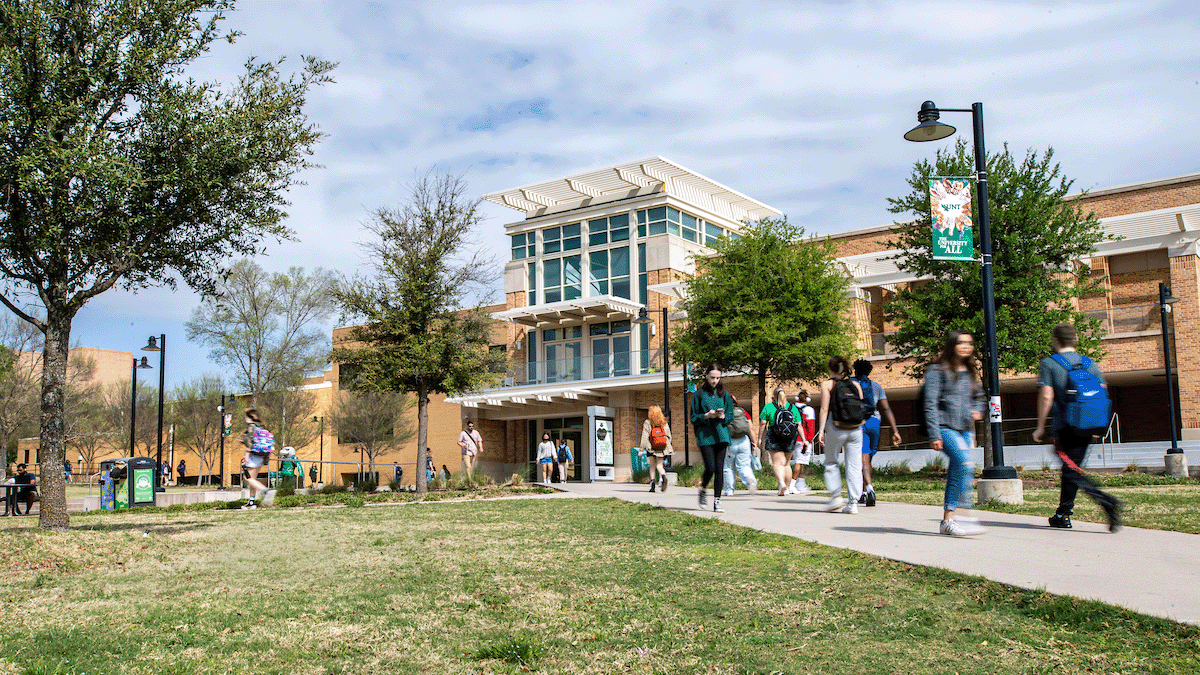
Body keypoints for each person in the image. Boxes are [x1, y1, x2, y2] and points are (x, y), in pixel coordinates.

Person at [1033, 323, 1122, 532]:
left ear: (1055, 341)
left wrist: (1039, 426)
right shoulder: (1089, 363)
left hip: (1065, 426)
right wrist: (1097, 426)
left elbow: (1046, 395)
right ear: (1075, 340)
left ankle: (1107, 502)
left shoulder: (1049, 364)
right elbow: (1103, 391)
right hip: (1087, 426)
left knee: (1072, 471)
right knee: (1071, 470)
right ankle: (1063, 514)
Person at [924, 331, 987, 536]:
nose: (965, 346)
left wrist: (977, 409)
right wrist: (934, 434)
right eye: (960, 343)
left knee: (960, 471)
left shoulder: (969, 372)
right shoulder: (937, 370)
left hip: (964, 429)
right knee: (963, 463)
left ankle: (948, 521)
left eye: (969, 343)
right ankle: (963, 516)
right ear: (952, 345)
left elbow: (980, 397)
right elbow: (930, 403)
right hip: (945, 427)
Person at [817, 356, 867, 514]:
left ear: (831, 369)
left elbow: (825, 409)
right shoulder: (855, 385)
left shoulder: (827, 384)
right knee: (854, 465)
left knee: (831, 462)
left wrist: (821, 430)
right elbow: (861, 407)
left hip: (836, 426)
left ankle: (836, 497)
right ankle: (853, 503)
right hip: (856, 428)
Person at [853, 359, 902, 507]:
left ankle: (869, 489)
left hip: (859, 423)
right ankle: (861, 492)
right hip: (875, 423)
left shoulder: (852, 385)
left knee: (863, 459)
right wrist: (895, 431)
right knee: (868, 460)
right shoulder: (876, 386)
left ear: (855, 370)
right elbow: (886, 409)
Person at [690, 363, 735, 513]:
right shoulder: (699, 394)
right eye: (712, 377)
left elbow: (730, 415)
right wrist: (706, 416)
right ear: (706, 376)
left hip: (721, 436)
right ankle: (703, 489)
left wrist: (723, 416)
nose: (715, 381)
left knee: (720, 469)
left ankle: (717, 500)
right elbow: (693, 417)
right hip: (705, 437)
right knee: (710, 467)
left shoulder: (724, 394)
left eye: (717, 378)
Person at [759, 387, 798, 497]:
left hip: (774, 436)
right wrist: (804, 440)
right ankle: (787, 487)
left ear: (774, 396)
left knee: (777, 463)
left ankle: (781, 483)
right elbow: (798, 425)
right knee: (786, 463)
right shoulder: (792, 408)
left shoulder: (769, 407)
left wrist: (759, 438)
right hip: (790, 437)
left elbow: (763, 424)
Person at [238, 408, 275, 509]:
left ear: (250, 417)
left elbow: (250, 442)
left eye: (246, 416)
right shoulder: (260, 427)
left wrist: (246, 454)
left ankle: (266, 491)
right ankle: (251, 502)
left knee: (247, 478)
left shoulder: (251, 427)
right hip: (261, 456)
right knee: (252, 480)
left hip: (253, 455)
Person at [722, 395, 758, 496]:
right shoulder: (743, 411)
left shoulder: (722, 413)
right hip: (744, 441)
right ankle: (750, 481)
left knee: (728, 467)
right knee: (744, 465)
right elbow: (750, 428)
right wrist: (754, 443)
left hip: (730, 443)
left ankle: (729, 490)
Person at [788, 390, 817, 494]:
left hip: (791, 438)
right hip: (803, 439)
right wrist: (809, 440)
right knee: (799, 462)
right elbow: (811, 426)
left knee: (800, 462)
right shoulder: (809, 410)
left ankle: (801, 483)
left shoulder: (791, 408)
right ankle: (792, 485)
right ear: (808, 399)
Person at [639, 406, 673, 492]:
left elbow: (644, 436)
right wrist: (666, 445)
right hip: (662, 447)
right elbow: (669, 436)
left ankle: (653, 484)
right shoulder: (664, 422)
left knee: (652, 465)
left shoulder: (648, 422)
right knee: (660, 465)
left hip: (651, 447)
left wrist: (641, 449)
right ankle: (663, 476)